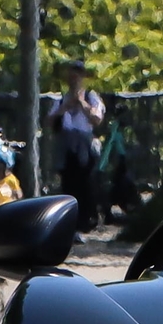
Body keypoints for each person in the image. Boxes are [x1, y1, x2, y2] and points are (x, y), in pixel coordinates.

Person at [52, 60, 106, 230]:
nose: (73, 79)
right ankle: (70, 220)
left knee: (87, 182)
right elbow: (49, 120)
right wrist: (65, 107)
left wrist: (81, 102)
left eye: (77, 76)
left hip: (84, 143)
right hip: (67, 144)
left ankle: (88, 218)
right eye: (71, 76)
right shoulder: (61, 99)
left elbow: (97, 119)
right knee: (68, 182)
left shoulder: (91, 97)